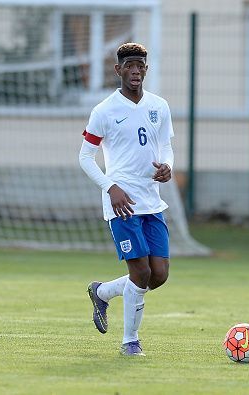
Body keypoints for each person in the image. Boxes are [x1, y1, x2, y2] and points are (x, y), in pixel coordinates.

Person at [78, 42, 174, 356]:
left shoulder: (159, 105)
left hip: (152, 202)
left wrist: (167, 167)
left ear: (146, 68)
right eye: (129, 65)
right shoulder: (104, 111)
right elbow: (85, 157)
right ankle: (130, 342)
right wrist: (111, 187)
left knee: (158, 274)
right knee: (141, 273)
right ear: (118, 69)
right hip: (123, 205)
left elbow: (165, 146)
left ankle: (102, 292)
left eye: (141, 65)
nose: (136, 71)